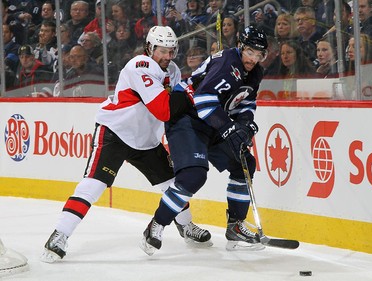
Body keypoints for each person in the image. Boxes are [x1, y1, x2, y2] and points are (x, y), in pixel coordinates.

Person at [41, 26, 212, 263]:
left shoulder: (171, 70)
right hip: (115, 132)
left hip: (146, 140)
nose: (168, 56)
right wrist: (187, 93)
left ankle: (186, 226)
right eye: (162, 51)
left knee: (173, 183)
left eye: (171, 51)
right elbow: (164, 109)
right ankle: (59, 234)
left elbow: (174, 106)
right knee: (93, 185)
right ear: (150, 48)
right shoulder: (139, 66)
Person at [140, 25, 268, 255]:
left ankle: (236, 226)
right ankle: (156, 226)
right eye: (250, 52)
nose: (253, 59)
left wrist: (246, 124)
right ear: (241, 47)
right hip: (188, 118)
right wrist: (229, 129)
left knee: (244, 163)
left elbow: (245, 101)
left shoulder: (256, 72)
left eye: (259, 55)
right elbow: (203, 99)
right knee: (193, 176)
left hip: (212, 118)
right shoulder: (228, 63)